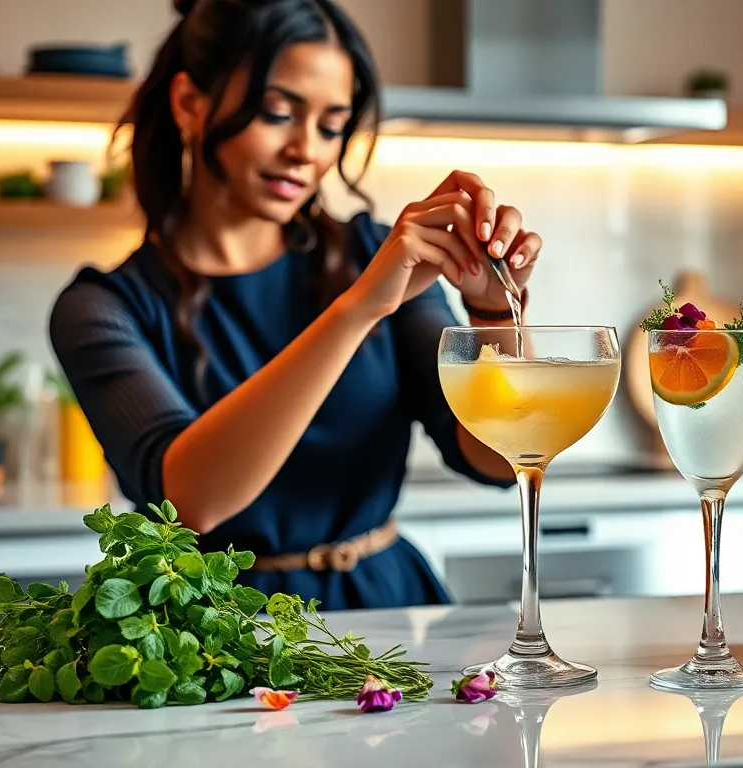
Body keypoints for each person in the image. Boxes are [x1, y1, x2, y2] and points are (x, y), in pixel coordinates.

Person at [48, 0, 541, 610]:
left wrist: (493, 314)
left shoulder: (370, 255)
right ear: (190, 104)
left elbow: (499, 458)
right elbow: (192, 501)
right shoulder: (103, 308)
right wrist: (357, 309)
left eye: (331, 126)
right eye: (277, 113)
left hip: (390, 612)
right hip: (218, 633)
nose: (306, 150)